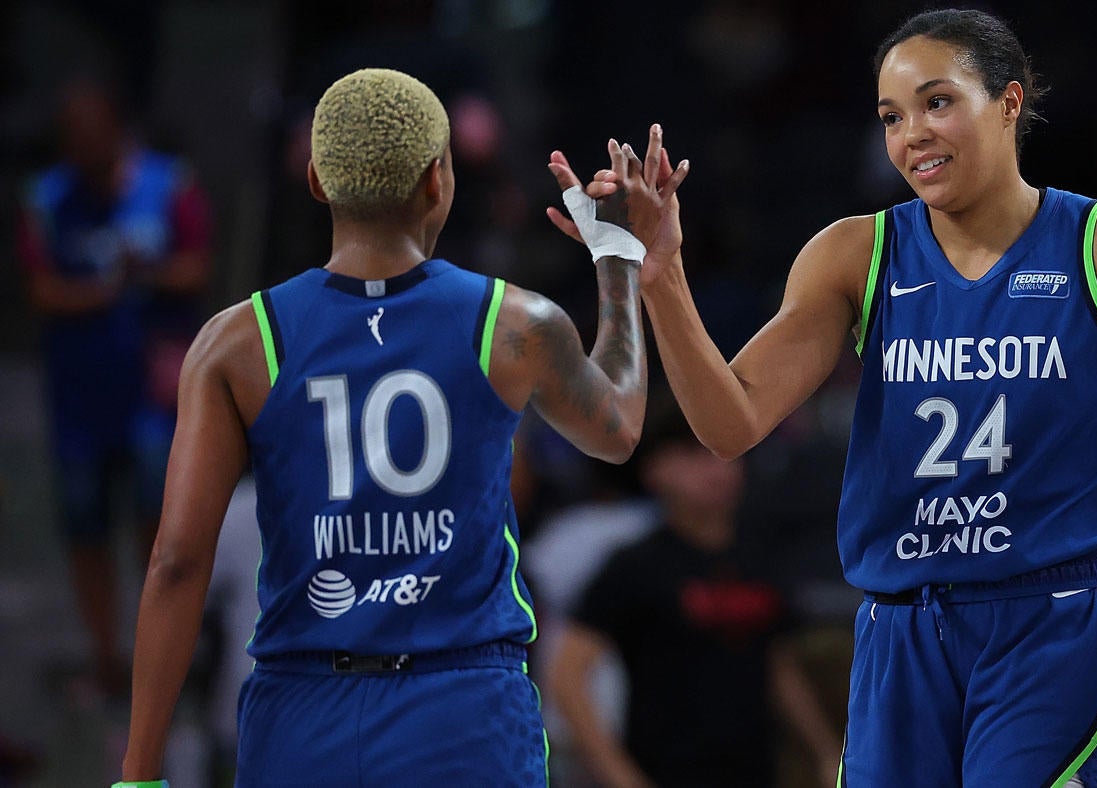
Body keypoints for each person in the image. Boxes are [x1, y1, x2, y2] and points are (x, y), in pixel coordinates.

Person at [556, 9, 1097, 786]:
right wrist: (662, 278)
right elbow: (730, 422)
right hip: (901, 631)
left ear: (1009, 102)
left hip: (1058, 622)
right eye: (892, 117)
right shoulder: (855, 253)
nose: (912, 133)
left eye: (937, 102)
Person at [117, 67, 685, 786]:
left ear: (318, 181)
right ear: (438, 179)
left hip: (302, 713)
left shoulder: (237, 341)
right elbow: (619, 427)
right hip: (463, 710)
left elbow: (175, 563)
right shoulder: (514, 322)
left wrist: (138, 772)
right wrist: (614, 263)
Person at [17, 77, 212, 700]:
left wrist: (147, 274)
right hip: (79, 397)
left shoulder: (169, 185)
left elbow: (197, 266)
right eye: (72, 138)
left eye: (93, 134)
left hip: (150, 397)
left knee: (158, 525)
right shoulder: (46, 199)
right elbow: (41, 290)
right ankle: (104, 656)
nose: (84, 146)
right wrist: (108, 290)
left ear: (117, 131)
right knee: (85, 527)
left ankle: (163, 645)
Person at [546, 394, 842, 788]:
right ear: (654, 469)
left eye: (724, 451)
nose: (716, 468)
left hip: (755, 772)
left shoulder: (759, 555)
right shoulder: (635, 565)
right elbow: (567, 674)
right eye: (692, 454)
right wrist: (620, 777)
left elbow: (775, 662)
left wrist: (824, 751)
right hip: (668, 772)